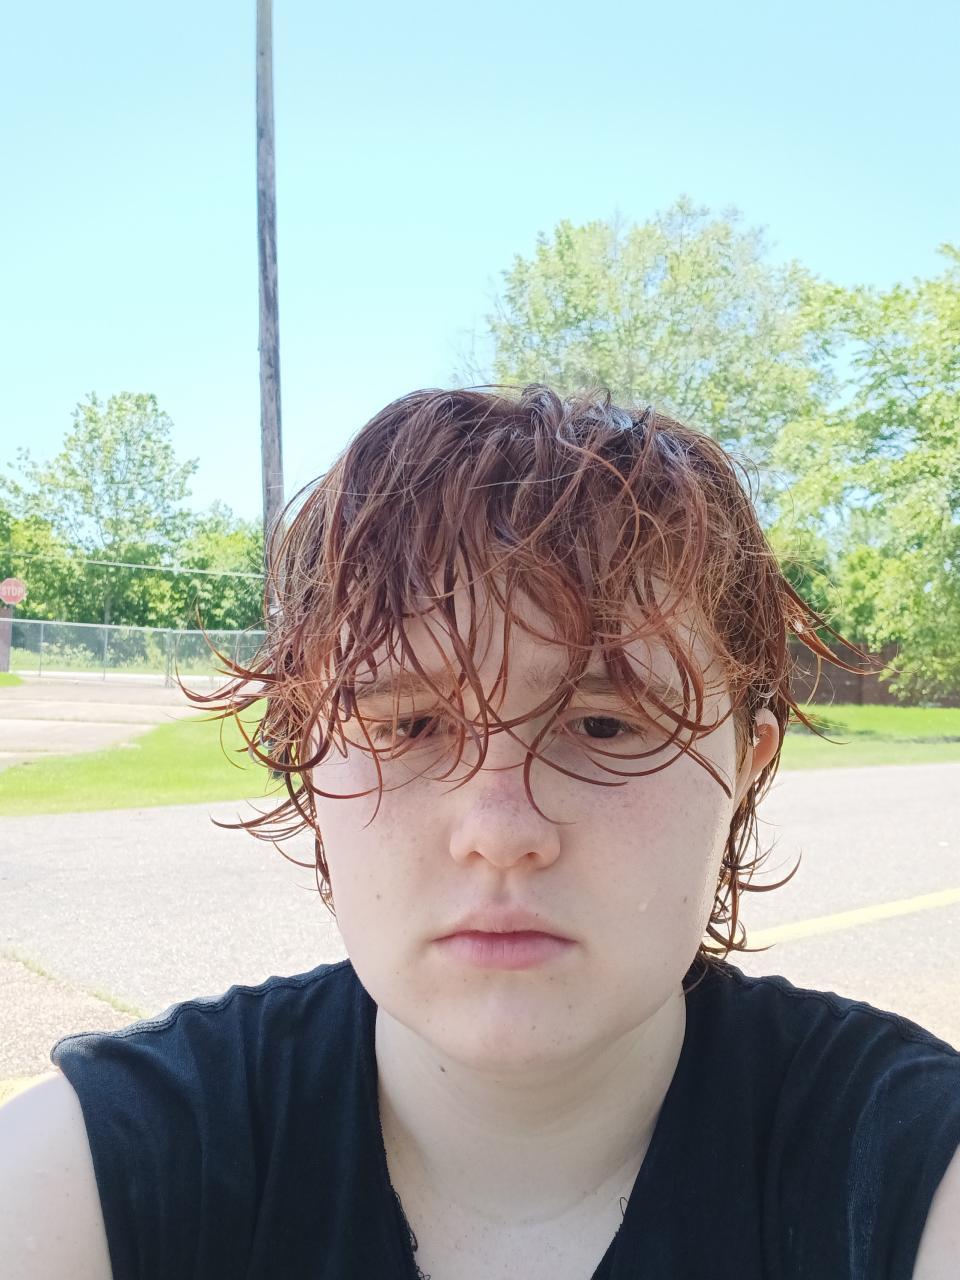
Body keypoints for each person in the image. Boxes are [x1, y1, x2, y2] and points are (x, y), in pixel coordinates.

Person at [1, 385, 958, 1279]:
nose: (500, 831)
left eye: (605, 725)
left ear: (749, 764)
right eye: (409, 723)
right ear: (307, 759)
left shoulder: (912, 1168)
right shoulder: (90, 1175)